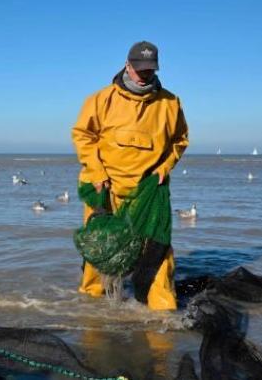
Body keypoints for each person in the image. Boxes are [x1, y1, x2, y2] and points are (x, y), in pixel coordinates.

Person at [71, 41, 189, 310]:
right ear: (127, 65)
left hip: (148, 192)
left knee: (157, 250)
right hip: (105, 187)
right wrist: (97, 170)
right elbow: (82, 135)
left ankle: (162, 312)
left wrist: (165, 166)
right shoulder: (101, 99)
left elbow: (180, 140)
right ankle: (90, 310)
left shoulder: (170, 103)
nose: (144, 74)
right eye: (139, 69)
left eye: (149, 69)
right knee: (101, 247)